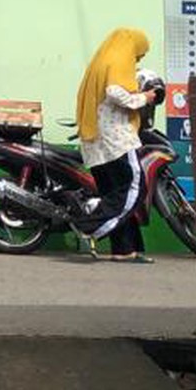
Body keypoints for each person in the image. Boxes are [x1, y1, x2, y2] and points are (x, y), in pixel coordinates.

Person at [73, 27, 161, 262]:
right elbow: (114, 92)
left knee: (114, 191)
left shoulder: (100, 62)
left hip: (96, 142)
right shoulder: (118, 60)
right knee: (135, 187)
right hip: (117, 139)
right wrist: (145, 98)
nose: (137, 60)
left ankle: (124, 249)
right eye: (138, 55)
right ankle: (89, 226)